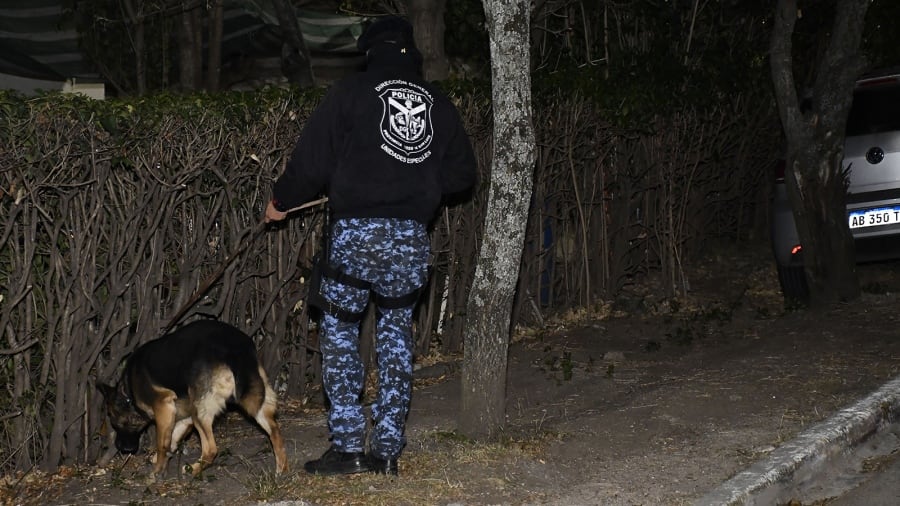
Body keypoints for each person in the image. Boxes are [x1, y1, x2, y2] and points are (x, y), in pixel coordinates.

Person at [264, 15, 477, 477]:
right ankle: (386, 449)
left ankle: (346, 448)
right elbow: (463, 176)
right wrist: (418, 183)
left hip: (355, 236)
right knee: (396, 334)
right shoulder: (438, 104)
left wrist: (280, 201)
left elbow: (312, 161)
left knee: (340, 332)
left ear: (369, 52)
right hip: (409, 238)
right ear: (412, 53)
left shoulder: (348, 94)